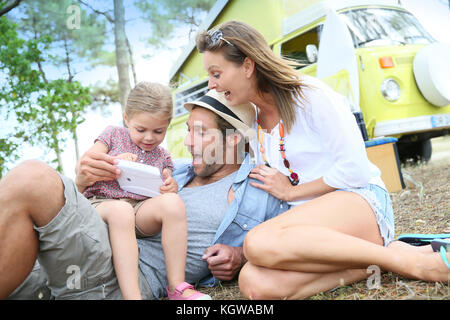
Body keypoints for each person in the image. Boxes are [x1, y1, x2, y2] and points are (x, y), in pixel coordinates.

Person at [195, 20, 450, 299]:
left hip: (358, 201)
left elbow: (354, 169)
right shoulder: (252, 122)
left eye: (216, 73)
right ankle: (379, 258)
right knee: (254, 284)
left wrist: (292, 191)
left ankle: (412, 262)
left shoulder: (308, 95)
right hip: (310, 233)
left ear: (247, 65)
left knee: (257, 242)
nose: (212, 84)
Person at [0, 89, 288, 300]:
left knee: (33, 177)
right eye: (187, 131)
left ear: (233, 139)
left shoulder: (260, 188)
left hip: (117, 278)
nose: (187, 142)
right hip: (64, 263)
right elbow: (98, 199)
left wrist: (242, 256)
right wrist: (83, 180)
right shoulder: (175, 170)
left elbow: (296, 238)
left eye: (200, 133)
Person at [79, 81, 209, 300]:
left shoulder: (163, 156)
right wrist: (113, 161)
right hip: (101, 204)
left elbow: (167, 182)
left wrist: (171, 186)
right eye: (141, 130)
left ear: (167, 124)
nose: (149, 138)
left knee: (173, 203)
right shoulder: (112, 135)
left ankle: (177, 286)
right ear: (127, 119)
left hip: (139, 209)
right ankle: (133, 297)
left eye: (158, 131)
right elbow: (88, 162)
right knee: (121, 211)